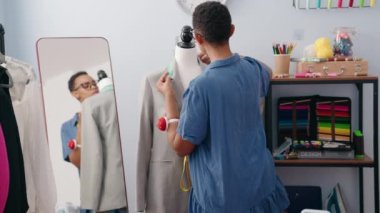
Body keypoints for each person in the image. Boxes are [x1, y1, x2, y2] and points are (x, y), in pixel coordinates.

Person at [156, 2, 290, 213]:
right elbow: (269, 71)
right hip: (261, 188)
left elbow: (181, 147)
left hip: (223, 198)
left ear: (198, 38)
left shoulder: (200, 87)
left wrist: (169, 98)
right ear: (232, 30)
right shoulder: (252, 69)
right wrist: (220, 60)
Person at [136, 31, 202, 213]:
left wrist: (215, 61)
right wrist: (139, 201)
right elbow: (143, 141)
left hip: (206, 181)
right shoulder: (152, 80)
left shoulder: (211, 77)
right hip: (165, 184)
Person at [61, 71, 99, 169]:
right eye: (86, 85)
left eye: (95, 83)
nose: (94, 87)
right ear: (75, 93)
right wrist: (83, 118)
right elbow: (79, 162)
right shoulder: (68, 127)